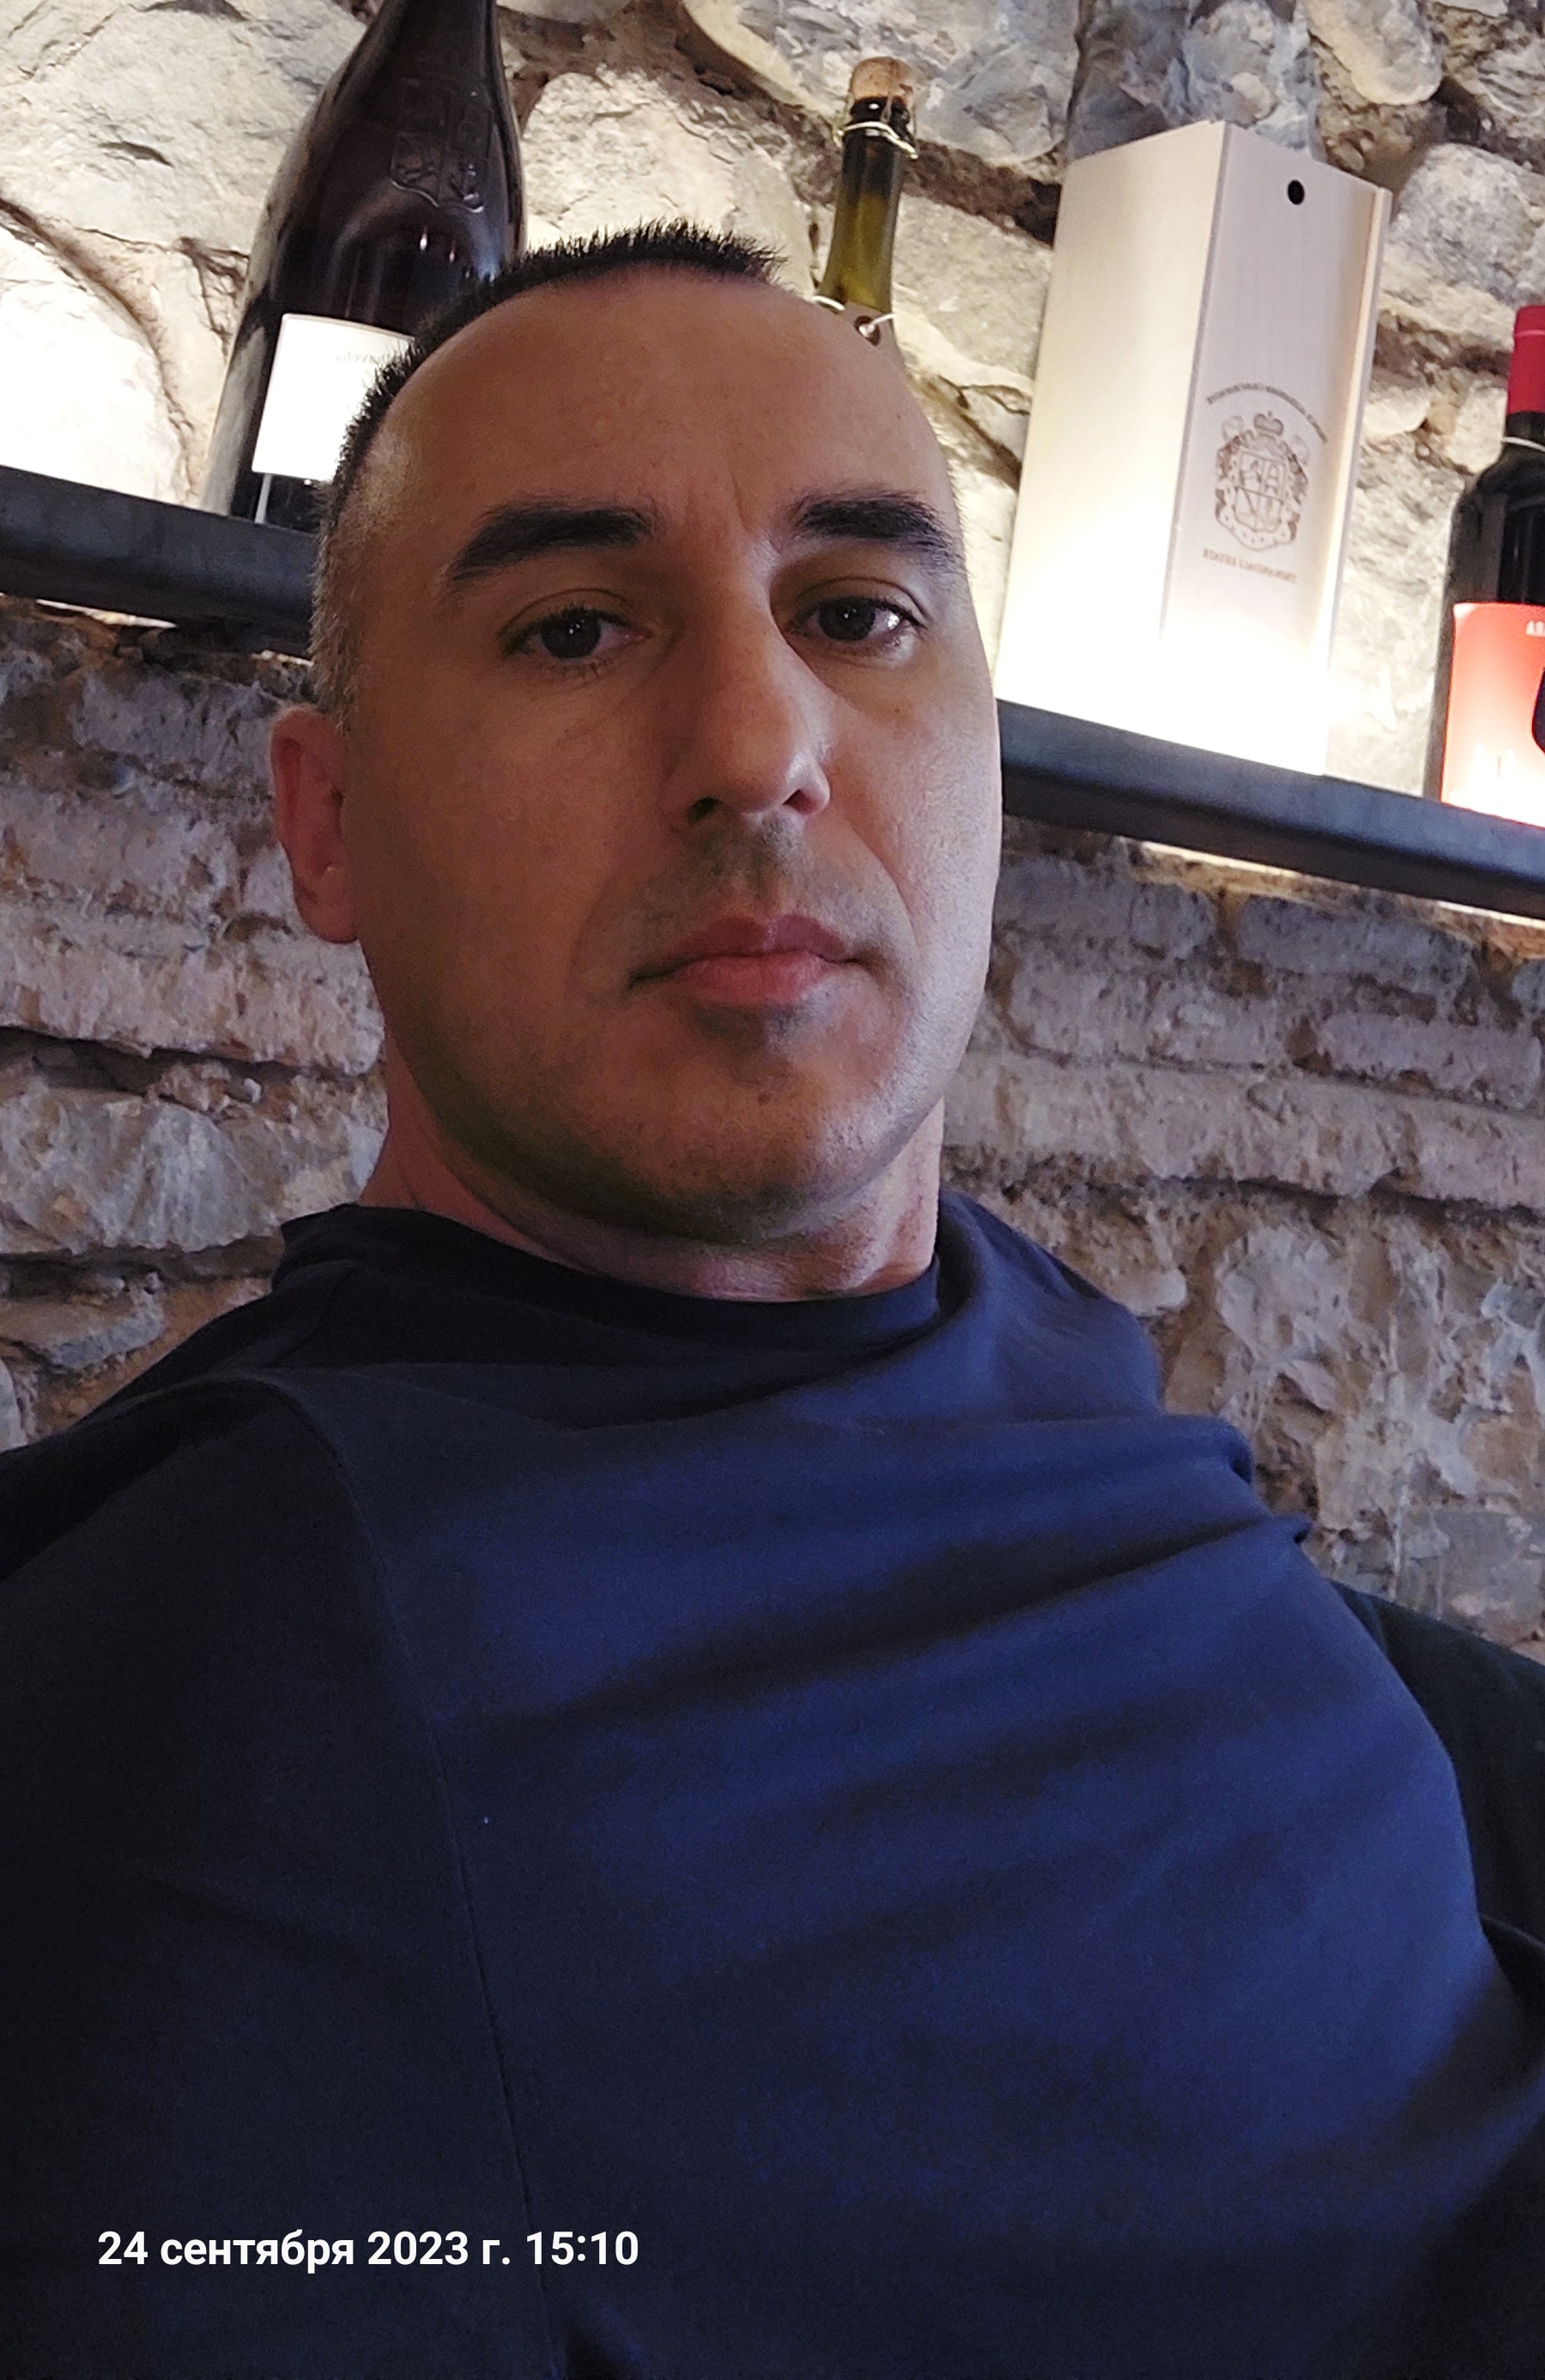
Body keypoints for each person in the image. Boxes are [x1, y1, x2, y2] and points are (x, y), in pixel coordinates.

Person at [3, 220, 1545, 2380]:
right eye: (570, 626)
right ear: (324, 823)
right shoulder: (258, 1663)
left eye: (855, 612)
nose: (757, 736)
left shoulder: (1037, 1332)